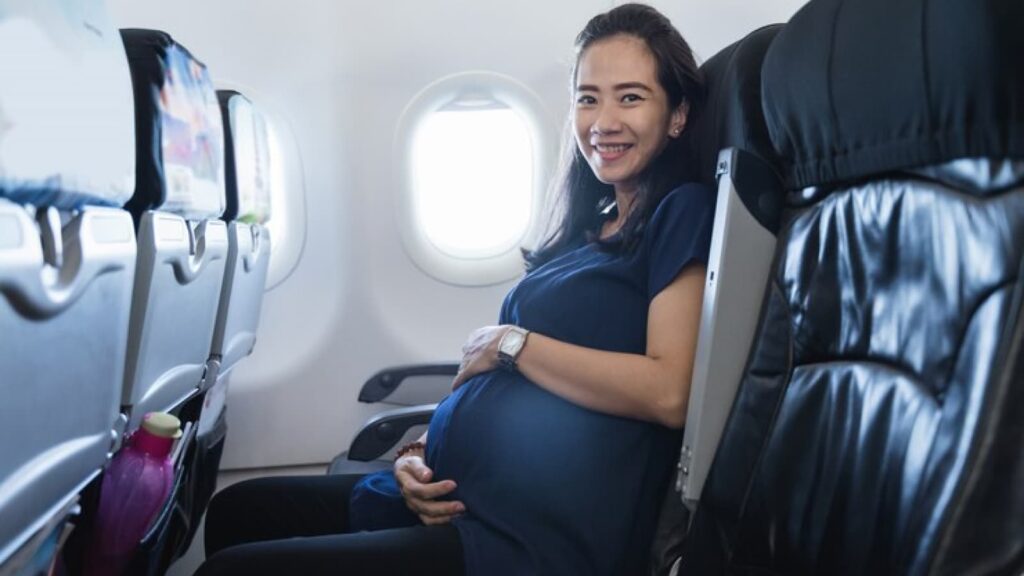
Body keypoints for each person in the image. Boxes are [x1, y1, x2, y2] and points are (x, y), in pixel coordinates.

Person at [196, 4, 711, 575]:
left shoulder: (679, 213)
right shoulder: (591, 230)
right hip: (454, 496)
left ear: (678, 115)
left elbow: (670, 391)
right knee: (236, 511)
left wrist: (514, 343)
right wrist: (416, 454)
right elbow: (498, 381)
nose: (603, 121)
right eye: (588, 98)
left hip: (527, 537)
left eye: (630, 97)